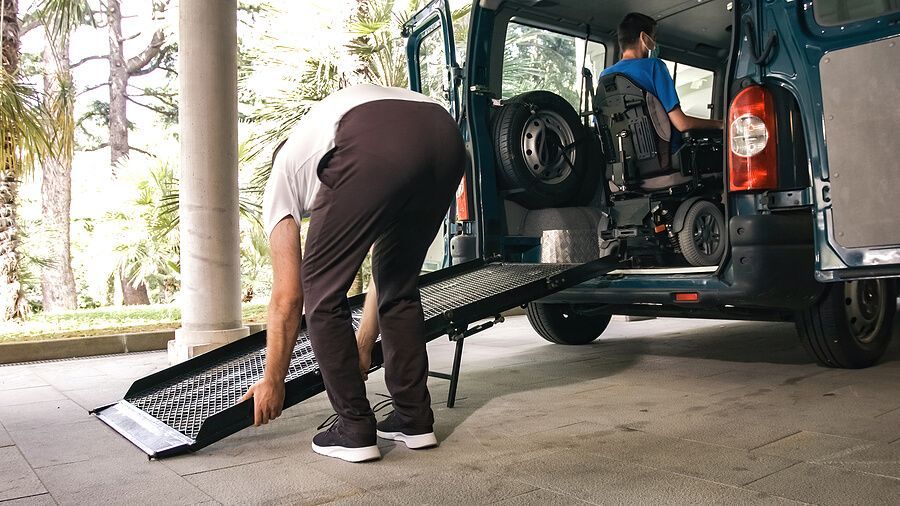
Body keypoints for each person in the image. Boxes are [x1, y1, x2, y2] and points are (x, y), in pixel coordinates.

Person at [240, 84, 465, 463]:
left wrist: (273, 379)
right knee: (400, 285)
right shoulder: (321, 137)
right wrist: (362, 344)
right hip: (446, 137)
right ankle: (414, 419)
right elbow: (384, 279)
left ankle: (354, 427)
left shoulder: (280, 179)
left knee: (322, 291)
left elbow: (290, 295)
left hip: (373, 135)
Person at [601, 12, 722, 153]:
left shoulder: (605, 77)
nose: (655, 42)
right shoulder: (654, 66)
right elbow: (682, 123)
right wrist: (720, 124)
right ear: (644, 38)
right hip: (665, 158)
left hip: (624, 163)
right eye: (654, 37)